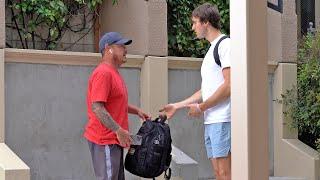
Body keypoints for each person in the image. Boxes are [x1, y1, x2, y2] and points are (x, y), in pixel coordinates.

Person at [160, 3, 231, 180]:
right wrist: (177, 105)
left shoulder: (225, 45)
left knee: (226, 174)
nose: (193, 27)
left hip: (223, 119)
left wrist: (201, 108)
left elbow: (230, 86)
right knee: (218, 174)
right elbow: (206, 89)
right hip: (212, 121)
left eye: (195, 22)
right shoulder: (211, 50)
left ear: (206, 22)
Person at [84, 32, 150, 180]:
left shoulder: (113, 72)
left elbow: (114, 103)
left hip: (114, 140)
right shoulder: (104, 73)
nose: (125, 50)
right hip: (105, 140)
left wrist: (136, 110)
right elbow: (97, 108)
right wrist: (118, 130)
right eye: (121, 46)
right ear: (109, 49)